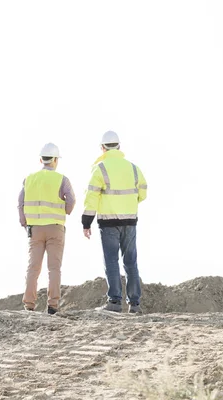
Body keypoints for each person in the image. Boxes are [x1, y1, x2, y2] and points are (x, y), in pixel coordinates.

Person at [82, 130, 147, 313]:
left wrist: (86, 221)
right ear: (119, 147)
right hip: (130, 220)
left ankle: (115, 302)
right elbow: (143, 192)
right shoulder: (133, 168)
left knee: (111, 260)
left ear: (102, 148)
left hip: (108, 221)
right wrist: (129, 205)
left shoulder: (100, 168)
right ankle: (135, 304)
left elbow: (91, 196)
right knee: (131, 261)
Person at [18, 143, 75, 314]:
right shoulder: (62, 179)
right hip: (55, 228)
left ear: (41, 159)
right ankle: (53, 305)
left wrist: (25, 222)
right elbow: (71, 201)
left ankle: (29, 304)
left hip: (35, 229)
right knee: (54, 268)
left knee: (33, 267)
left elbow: (20, 202)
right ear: (55, 160)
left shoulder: (29, 179)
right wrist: (66, 210)